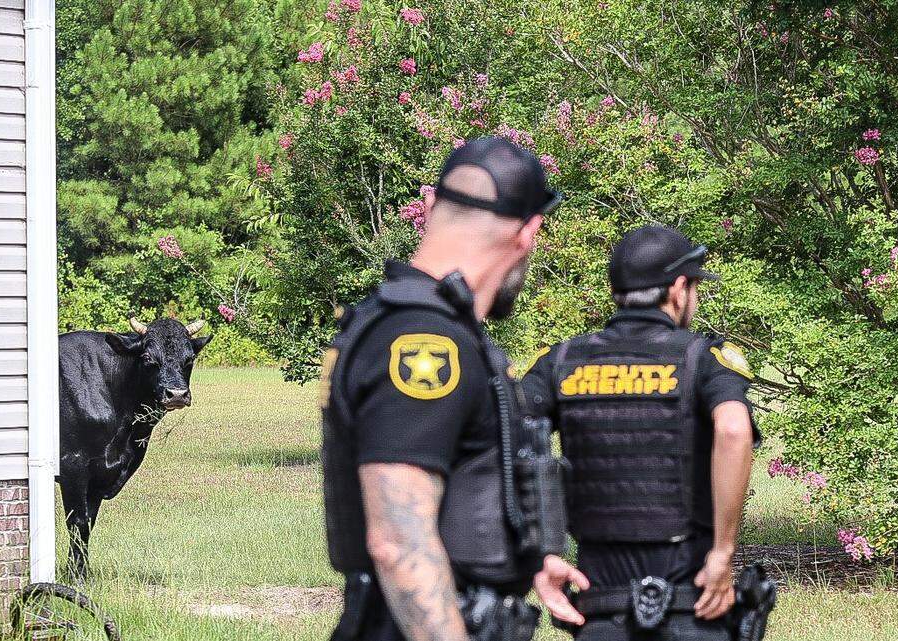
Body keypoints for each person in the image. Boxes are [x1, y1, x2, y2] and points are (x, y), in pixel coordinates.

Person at [320, 137, 587, 641]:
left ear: (428, 206)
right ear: (529, 232)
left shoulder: (425, 325)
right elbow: (400, 540)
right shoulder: (425, 342)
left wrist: (520, 560)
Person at [520, 225, 759, 641]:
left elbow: (508, 438)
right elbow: (734, 429)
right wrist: (723, 554)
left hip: (600, 610)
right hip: (692, 604)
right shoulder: (702, 358)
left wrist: (541, 554)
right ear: (679, 289)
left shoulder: (561, 360)